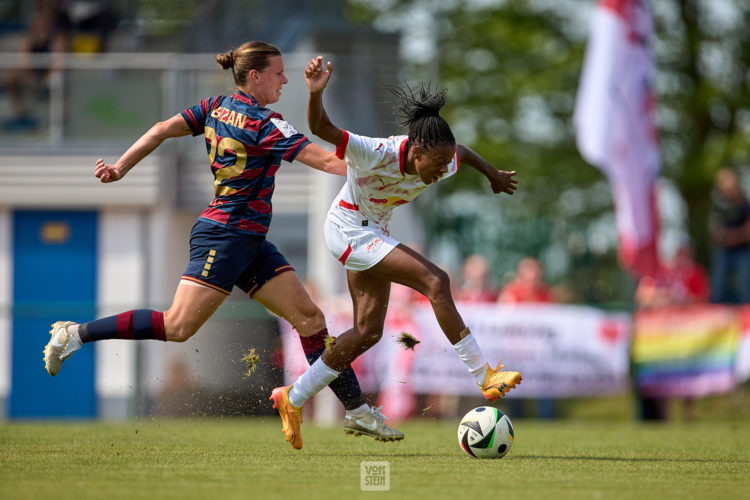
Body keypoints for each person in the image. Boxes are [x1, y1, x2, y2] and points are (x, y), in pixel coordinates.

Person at [42, 41, 403, 441]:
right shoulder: (266, 123)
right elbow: (327, 161)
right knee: (178, 326)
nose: (285, 80)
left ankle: (357, 411)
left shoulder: (214, 106)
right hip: (226, 235)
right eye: (279, 73)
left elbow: (161, 129)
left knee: (311, 320)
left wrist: (120, 167)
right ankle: (74, 334)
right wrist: (389, 160)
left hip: (247, 239)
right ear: (255, 76)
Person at [269, 56, 522, 450]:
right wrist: (316, 93)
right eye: (436, 164)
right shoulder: (376, 151)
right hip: (347, 229)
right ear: (416, 150)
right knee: (436, 280)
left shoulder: (442, 158)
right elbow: (320, 128)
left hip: (371, 235)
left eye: (444, 163)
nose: (441, 171)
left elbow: (464, 153)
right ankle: (484, 375)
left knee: (368, 332)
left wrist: (492, 174)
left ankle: (293, 398)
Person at [498, 257, 557, 419]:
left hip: (541, 354)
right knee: (516, 395)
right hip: (517, 351)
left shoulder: (546, 294)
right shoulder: (511, 293)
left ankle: (548, 424)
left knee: (544, 394)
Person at [709, 167, 750, 303]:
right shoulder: (720, 206)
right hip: (724, 250)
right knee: (718, 284)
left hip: (742, 250)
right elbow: (716, 230)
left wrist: (733, 236)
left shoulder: (745, 205)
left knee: (744, 285)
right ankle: (716, 312)